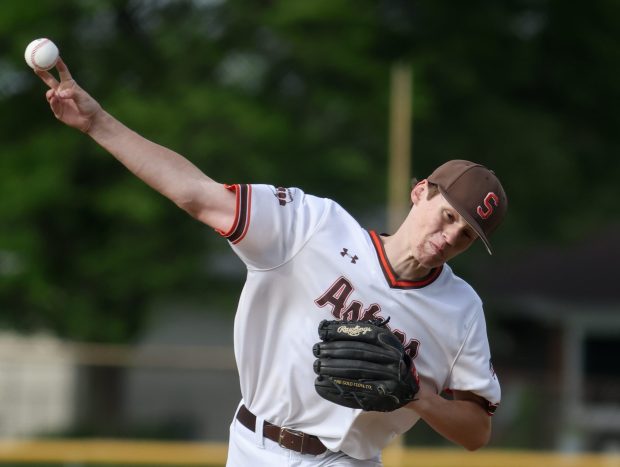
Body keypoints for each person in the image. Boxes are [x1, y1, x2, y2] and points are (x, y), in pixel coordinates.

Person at [35, 58, 507, 466]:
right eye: (447, 216)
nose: (449, 237)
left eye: (466, 235)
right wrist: (97, 123)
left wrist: (418, 396)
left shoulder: (461, 311)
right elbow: (197, 196)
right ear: (420, 191)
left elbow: (476, 431)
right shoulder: (311, 225)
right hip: (253, 446)